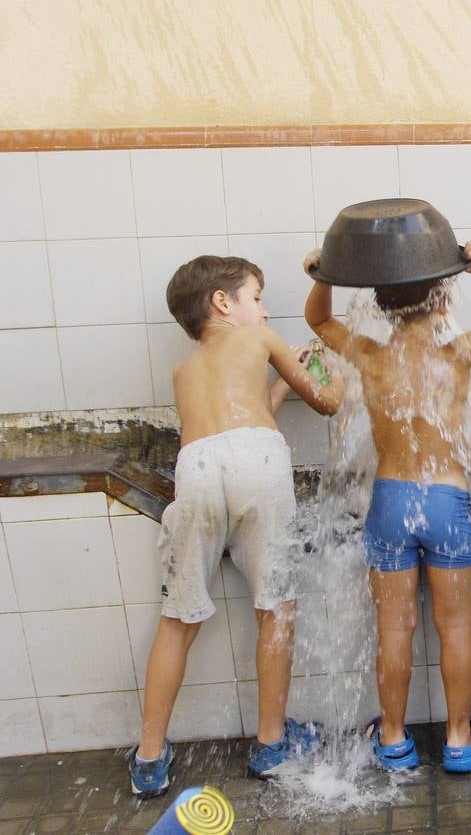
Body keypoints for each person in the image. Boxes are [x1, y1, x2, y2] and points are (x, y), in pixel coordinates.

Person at [303, 240, 471, 772]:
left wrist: (322, 271)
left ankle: (394, 737)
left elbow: (317, 318)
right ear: (444, 301)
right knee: (455, 627)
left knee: (394, 628)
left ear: (379, 308)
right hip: (445, 499)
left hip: (390, 500)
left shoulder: (367, 354)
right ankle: (456, 738)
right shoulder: (459, 354)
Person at [131, 256, 344, 797]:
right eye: (256, 297)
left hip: (198, 470)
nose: (265, 308)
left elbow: (240, 418)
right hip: (259, 465)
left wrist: (278, 388)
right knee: (275, 607)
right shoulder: (263, 339)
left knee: (177, 618)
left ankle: (150, 757)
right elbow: (327, 404)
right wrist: (323, 368)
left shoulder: (183, 372)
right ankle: (270, 745)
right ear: (224, 303)